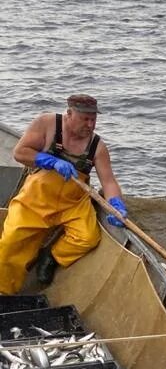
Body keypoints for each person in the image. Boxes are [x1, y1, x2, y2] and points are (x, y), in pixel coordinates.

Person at [0, 95, 128, 293]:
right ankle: (4, 291)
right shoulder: (47, 124)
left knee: (88, 238)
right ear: (69, 113)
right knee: (10, 244)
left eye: (93, 119)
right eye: (85, 118)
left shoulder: (97, 147)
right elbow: (20, 153)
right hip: (35, 201)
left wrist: (116, 204)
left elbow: (109, 182)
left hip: (73, 204)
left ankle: (51, 256)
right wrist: (48, 160)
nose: (90, 124)